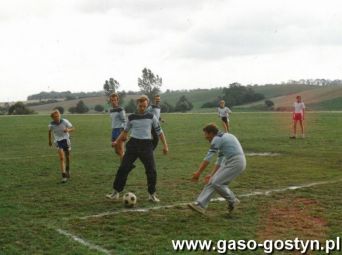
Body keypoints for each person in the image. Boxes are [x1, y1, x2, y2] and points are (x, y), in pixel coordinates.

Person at [106, 95, 169, 202]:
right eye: (140, 106)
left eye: (144, 106)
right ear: (137, 105)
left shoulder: (151, 117)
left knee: (151, 170)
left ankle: (152, 194)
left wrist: (165, 146)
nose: (142, 108)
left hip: (146, 145)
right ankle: (116, 192)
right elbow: (124, 132)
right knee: (123, 168)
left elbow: (160, 132)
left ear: (147, 105)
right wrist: (116, 141)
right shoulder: (131, 117)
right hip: (133, 144)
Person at [189, 123, 246, 215]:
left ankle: (233, 200)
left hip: (236, 162)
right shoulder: (223, 137)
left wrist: (198, 173)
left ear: (211, 133)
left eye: (206, 135)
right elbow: (219, 160)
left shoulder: (217, 138)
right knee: (212, 181)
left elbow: (208, 158)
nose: (206, 138)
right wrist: (211, 175)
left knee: (217, 183)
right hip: (231, 161)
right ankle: (200, 205)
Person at [48, 109, 75, 183]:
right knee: (62, 158)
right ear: (52, 118)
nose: (57, 117)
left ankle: (68, 169)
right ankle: (64, 176)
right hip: (58, 141)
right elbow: (49, 132)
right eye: (55, 116)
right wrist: (50, 141)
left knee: (67, 157)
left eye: (58, 116)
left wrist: (68, 130)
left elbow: (73, 128)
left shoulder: (65, 121)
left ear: (60, 115)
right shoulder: (51, 125)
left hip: (66, 140)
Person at [109, 93, 127, 161]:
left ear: (117, 100)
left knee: (121, 150)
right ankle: (126, 161)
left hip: (120, 130)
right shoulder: (111, 110)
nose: (113, 102)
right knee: (117, 151)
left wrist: (124, 132)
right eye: (112, 100)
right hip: (114, 130)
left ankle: (123, 167)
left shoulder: (120, 109)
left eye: (115, 100)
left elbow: (125, 121)